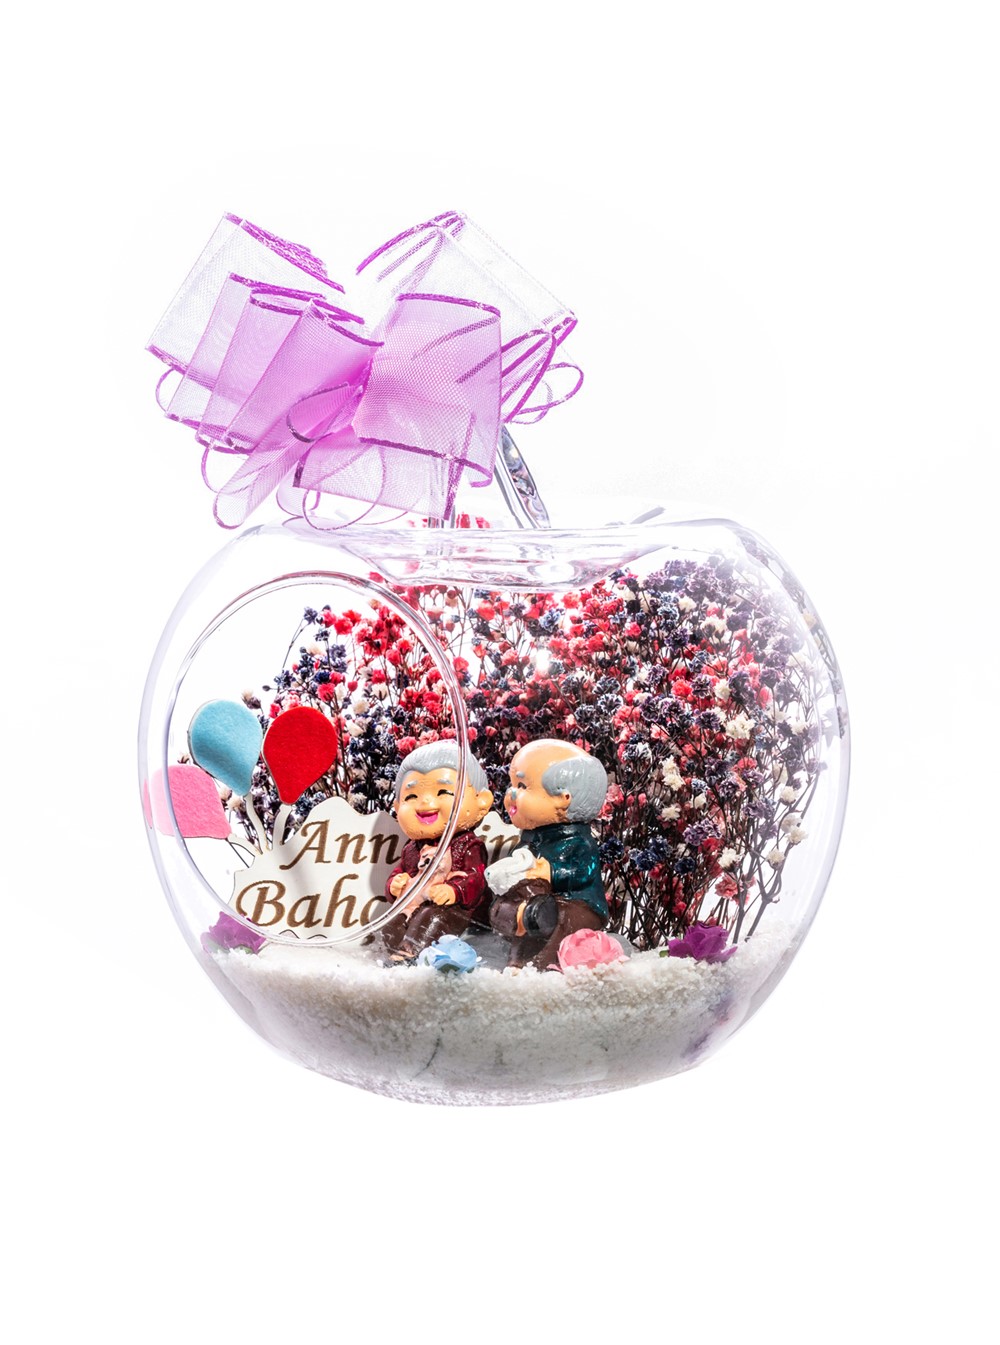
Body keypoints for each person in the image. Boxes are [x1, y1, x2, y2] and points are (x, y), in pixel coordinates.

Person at [488, 739, 609, 971]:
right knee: (524, 910)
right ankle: (517, 961)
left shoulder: (579, 841)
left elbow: (583, 873)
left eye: (522, 786)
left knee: (560, 917)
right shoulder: (530, 838)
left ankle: (543, 964)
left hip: (580, 904)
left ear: (564, 799)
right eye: (512, 785)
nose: (511, 793)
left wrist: (551, 871)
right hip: (540, 902)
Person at [380, 742, 494, 962]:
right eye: (411, 797)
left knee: (431, 918)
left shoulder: (468, 845)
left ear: (481, 801)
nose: (425, 802)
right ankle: (396, 954)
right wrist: (394, 885)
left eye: (443, 792)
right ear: (397, 807)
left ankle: (409, 956)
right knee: (391, 924)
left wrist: (454, 890)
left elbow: (476, 879)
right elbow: (401, 870)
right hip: (416, 904)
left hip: (458, 910)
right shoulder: (412, 848)